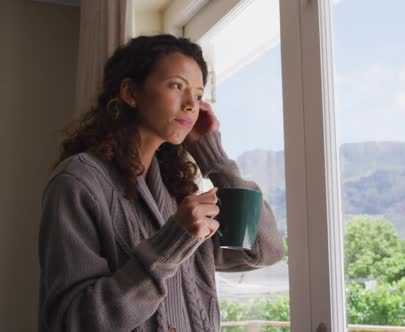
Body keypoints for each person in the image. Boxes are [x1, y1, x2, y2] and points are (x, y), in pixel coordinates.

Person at [37, 34, 285, 332]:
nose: (192, 104)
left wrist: (213, 157)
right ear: (130, 92)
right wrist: (171, 243)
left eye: (198, 93)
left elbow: (264, 249)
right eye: (177, 86)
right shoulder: (79, 183)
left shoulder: (178, 190)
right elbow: (73, 322)